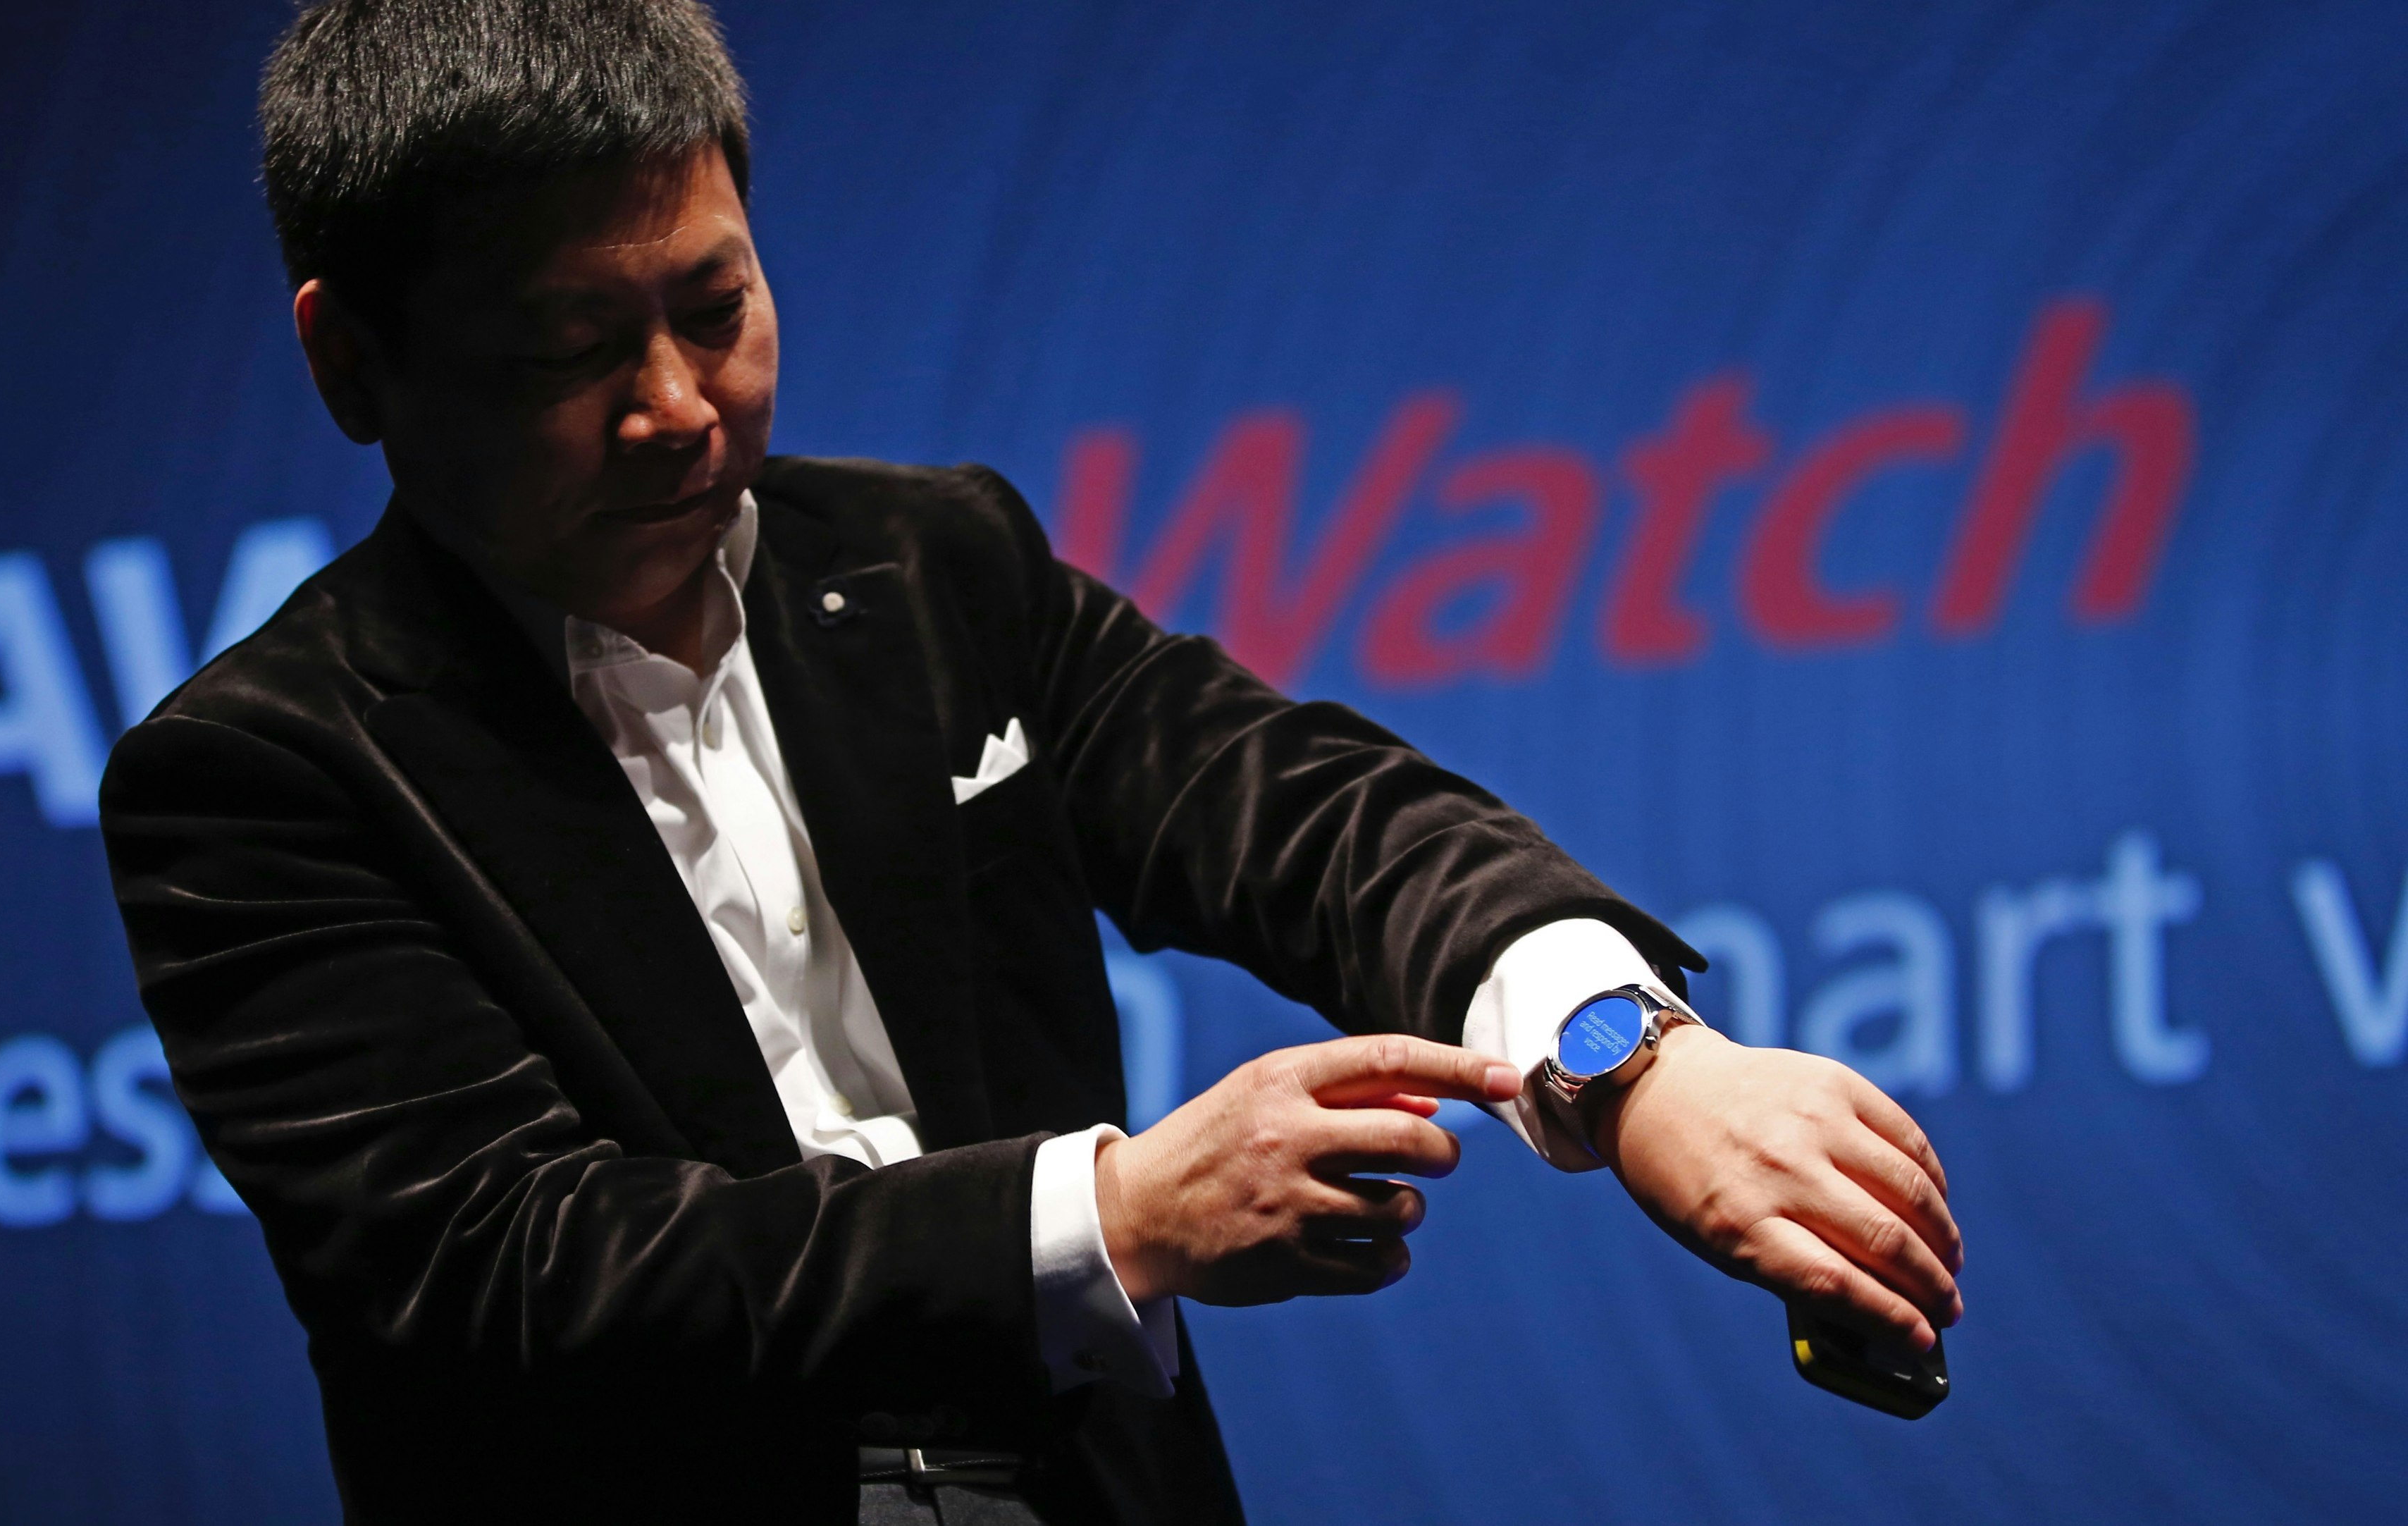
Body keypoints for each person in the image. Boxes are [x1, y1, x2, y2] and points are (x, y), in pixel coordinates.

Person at [97, 1, 1965, 1520]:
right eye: (572, 348)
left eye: (717, 307)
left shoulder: (930, 567)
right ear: (353, 364)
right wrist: (1113, 1217)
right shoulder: (261, 778)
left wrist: (1627, 1058)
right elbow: (528, 1276)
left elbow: (1290, 808)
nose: (675, 408)